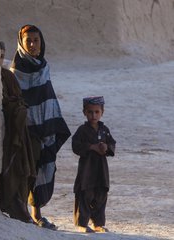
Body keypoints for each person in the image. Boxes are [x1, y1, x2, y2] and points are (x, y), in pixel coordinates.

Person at [10, 25, 71, 230]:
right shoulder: (17, 69)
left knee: (44, 165)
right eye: (29, 41)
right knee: (28, 169)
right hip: (27, 130)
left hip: (45, 127)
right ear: (21, 42)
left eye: (36, 40)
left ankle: (37, 213)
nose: (34, 45)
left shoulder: (43, 66)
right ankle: (26, 212)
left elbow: (47, 94)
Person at [0, 41, 37, 223]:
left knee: (21, 168)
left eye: (1, 56)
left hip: (16, 130)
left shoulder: (8, 76)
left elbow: (18, 99)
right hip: (4, 133)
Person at [72, 96, 116, 233]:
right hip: (87, 169)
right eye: (90, 112)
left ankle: (98, 223)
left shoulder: (104, 129)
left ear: (102, 112)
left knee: (101, 194)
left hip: (101, 169)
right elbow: (76, 146)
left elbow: (112, 144)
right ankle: (82, 224)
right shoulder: (82, 130)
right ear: (84, 112)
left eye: (97, 112)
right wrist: (91, 147)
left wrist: (106, 148)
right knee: (85, 194)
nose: (93, 115)